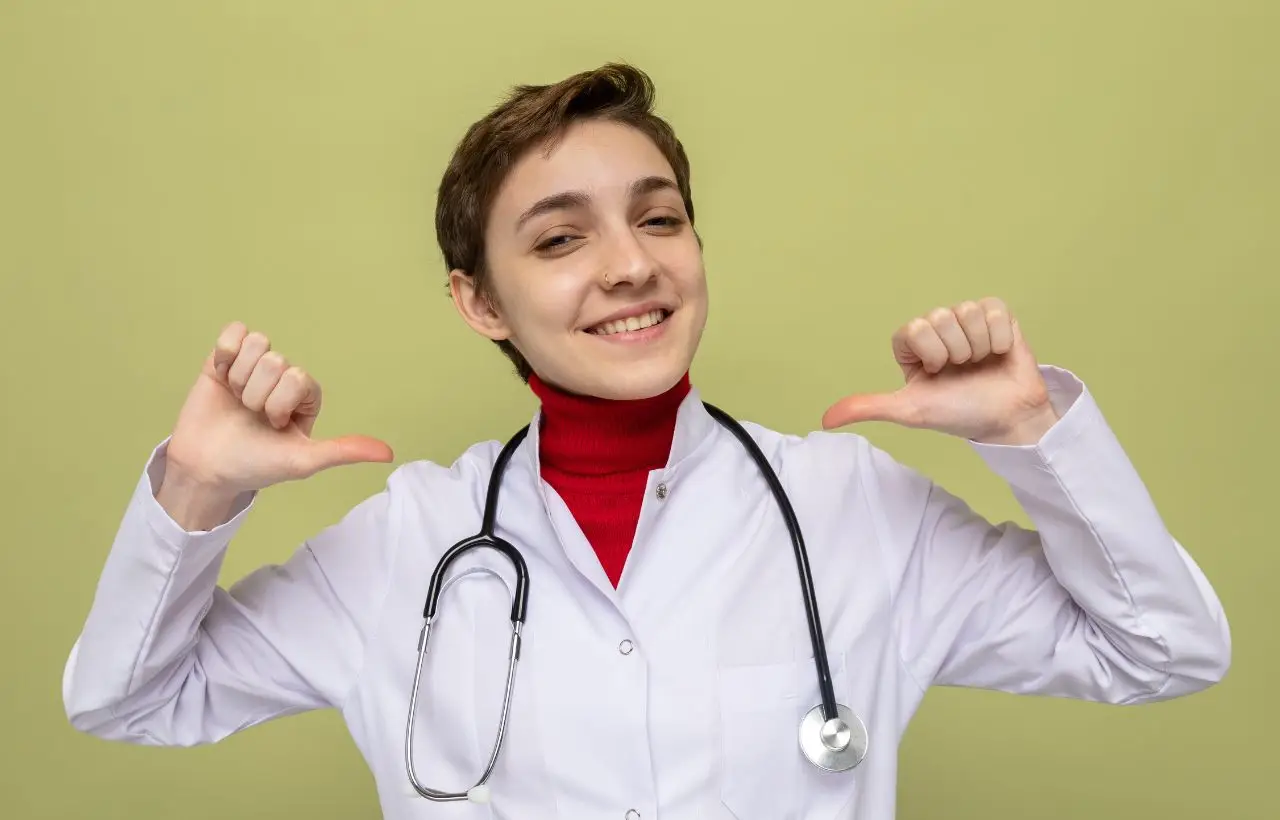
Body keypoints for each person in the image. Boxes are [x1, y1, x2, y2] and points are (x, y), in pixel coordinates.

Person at [62, 63, 1230, 820]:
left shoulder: (852, 508)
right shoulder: (403, 545)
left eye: (658, 216)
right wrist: (196, 489)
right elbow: (127, 700)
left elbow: (1161, 652)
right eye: (559, 239)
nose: (631, 263)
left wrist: (1030, 432)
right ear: (478, 303)